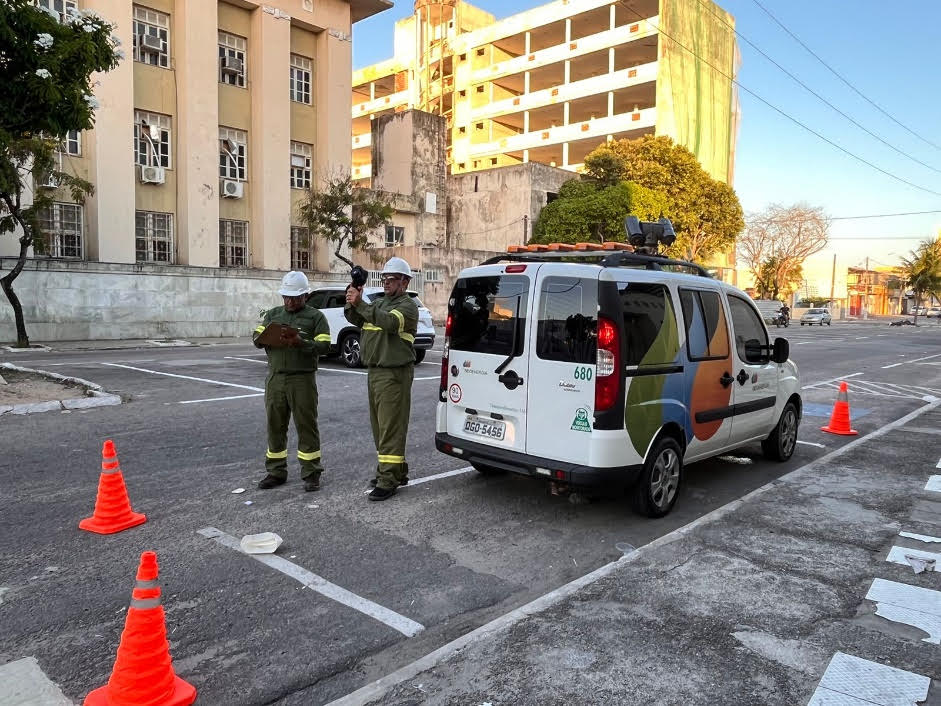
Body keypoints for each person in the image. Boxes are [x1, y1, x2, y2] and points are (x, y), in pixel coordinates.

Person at [344, 257, 419, 501]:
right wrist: (353, 297)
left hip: (394, 373)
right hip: (375, 372)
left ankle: (388, 479)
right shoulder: (379, 304)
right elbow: (355, 318)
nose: (386, 283)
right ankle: (396, 471)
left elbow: (387, 322)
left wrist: (363, 305)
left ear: (405, 282)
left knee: (390, 427)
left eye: (392, 279)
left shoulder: (407, 306)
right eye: (384, 279)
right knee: (380, 427)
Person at [253, 271, 332, 492]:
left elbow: (325, 346)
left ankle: (311, 473)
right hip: (276, 378)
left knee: (306, 425)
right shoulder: (273, 314)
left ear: (305, 296)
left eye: (294, 298)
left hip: (302, 379)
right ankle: (276, 471)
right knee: (275, 426)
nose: (289, 301)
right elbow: (257, 337)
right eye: (286, 297)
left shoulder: (316, 317)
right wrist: (263, 338)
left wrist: (301, 342)